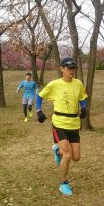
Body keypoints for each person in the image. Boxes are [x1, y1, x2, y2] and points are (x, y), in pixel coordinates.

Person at [36, 57, 87, 196]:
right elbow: (40, 96)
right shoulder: (54, 84)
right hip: (59, 123)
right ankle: (63, 183)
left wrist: (84, 108)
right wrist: (39, 111)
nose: (72, 70)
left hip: (74, 124)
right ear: (61, 68)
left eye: (74, 68)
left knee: (76, 157)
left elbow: (83, 97)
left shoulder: (78, 84)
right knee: (68, 155)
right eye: (69, 68)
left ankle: (57, 151)